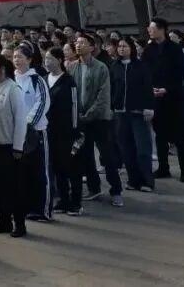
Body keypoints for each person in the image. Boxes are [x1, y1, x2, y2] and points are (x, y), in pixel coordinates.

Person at [70, 33, 123, 209]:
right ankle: (94, 188)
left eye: (82, 43)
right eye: (77, 43)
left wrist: (88, 114)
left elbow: (103, 96)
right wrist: (78, 115)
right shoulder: (73, 67)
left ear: (92, 47)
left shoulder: (101, 67)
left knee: (107, 155)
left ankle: (116, 191)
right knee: (85, 155)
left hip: (99, 119)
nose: (78, 45)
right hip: (81, 119)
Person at [142, 19, 184, 181]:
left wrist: (167, 89)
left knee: (180, 135)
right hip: (156, 98)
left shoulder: (175, 49)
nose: (149, 31)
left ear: (162, 29)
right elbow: (144, 72)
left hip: (174, 97)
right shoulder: (148, 50)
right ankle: (163, 167)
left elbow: (181, 73)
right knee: (160, 134)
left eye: (152, 28)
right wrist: (151, 89)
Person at [0, 54, 27, 238]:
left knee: (12, 187)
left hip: (8, 146)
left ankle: (19, 223)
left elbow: (21, 120)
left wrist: (18, 146)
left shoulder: (13, 89)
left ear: (2, 69)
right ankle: (4, 221)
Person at [12, 44, 51, 222]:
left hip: (36, 131)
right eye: (14, 57)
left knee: (39, 172)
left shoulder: (37, 80)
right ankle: (23, 207)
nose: (17, 60)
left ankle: (42, 209)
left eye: (20, 57)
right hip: (15, 134)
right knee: (21, 173)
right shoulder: (11, 79)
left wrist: (27, 123)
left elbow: (42, 103)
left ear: (29, 59)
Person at [111, 38, 155, 192]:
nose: (121, 49)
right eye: (119, 46)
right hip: (120, 113)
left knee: (142, 149)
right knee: (126, 149)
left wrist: (149, 107)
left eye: (125, 46)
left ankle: (147, 181)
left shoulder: (140, 66)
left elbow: (147, 86)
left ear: (131, 48)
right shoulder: (114, 66)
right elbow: (111, 88)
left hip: (138, 112)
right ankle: (133, 180)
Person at [43, 47, 77, 214]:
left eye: (50, 58)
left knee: (64, 166)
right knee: (50, 166)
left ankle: (68, 199)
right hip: (46, 129)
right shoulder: (43, 80)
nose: (47, 62)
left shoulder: (68, 81)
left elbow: (74, 107)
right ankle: (53, 198)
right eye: (45, 58)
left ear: (59, 60)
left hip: (63, 131)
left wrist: (74, 129)